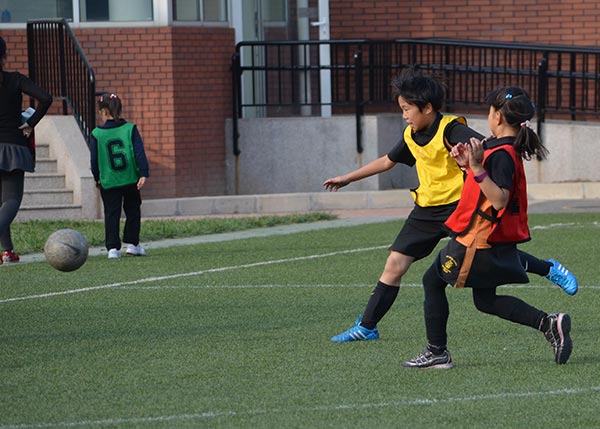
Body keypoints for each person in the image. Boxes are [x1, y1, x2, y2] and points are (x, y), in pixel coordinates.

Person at [323, 67, 578, 343]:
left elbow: (481, 146)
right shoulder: (411, 134)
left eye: (407, 109)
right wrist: (348, 178)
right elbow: (387, 160)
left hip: (461, 208)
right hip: (426, 210)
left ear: (428, 108)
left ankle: (548, 269)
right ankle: (368, 326)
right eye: (402, 109)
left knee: (483, 264)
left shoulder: (452, 129)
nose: (404, 115)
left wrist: (471, 158)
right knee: (395, 264)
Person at [402, 86, 572, 369]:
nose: (488, 117)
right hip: (485, 238)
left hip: (475, 240)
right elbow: (485, 186)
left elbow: (499, 197)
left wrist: (478, 168)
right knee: (485, 300)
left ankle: (437, 352)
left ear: (499, 116)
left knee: (431, 281)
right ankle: (549, 323)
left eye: (490, 111)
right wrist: (468, 166)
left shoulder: (503, 153)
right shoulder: (500, 147)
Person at [0, 35, 52, 265]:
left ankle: (8, 252)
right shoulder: (15, 79)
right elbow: (46, 98)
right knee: (11, 200)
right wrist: (30, 123)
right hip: (12, 146)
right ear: (5, 56)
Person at [90, 92, 149, 259]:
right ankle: (133, 244)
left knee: (111, 213)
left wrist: (97, 177)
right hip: (130, 178)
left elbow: (94, 159)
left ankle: (113, 249)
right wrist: (143, 173)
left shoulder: (97, 134)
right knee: (132, 210)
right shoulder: (130, 128)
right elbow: (139, 152)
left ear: (103, 112)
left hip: (109, 180)